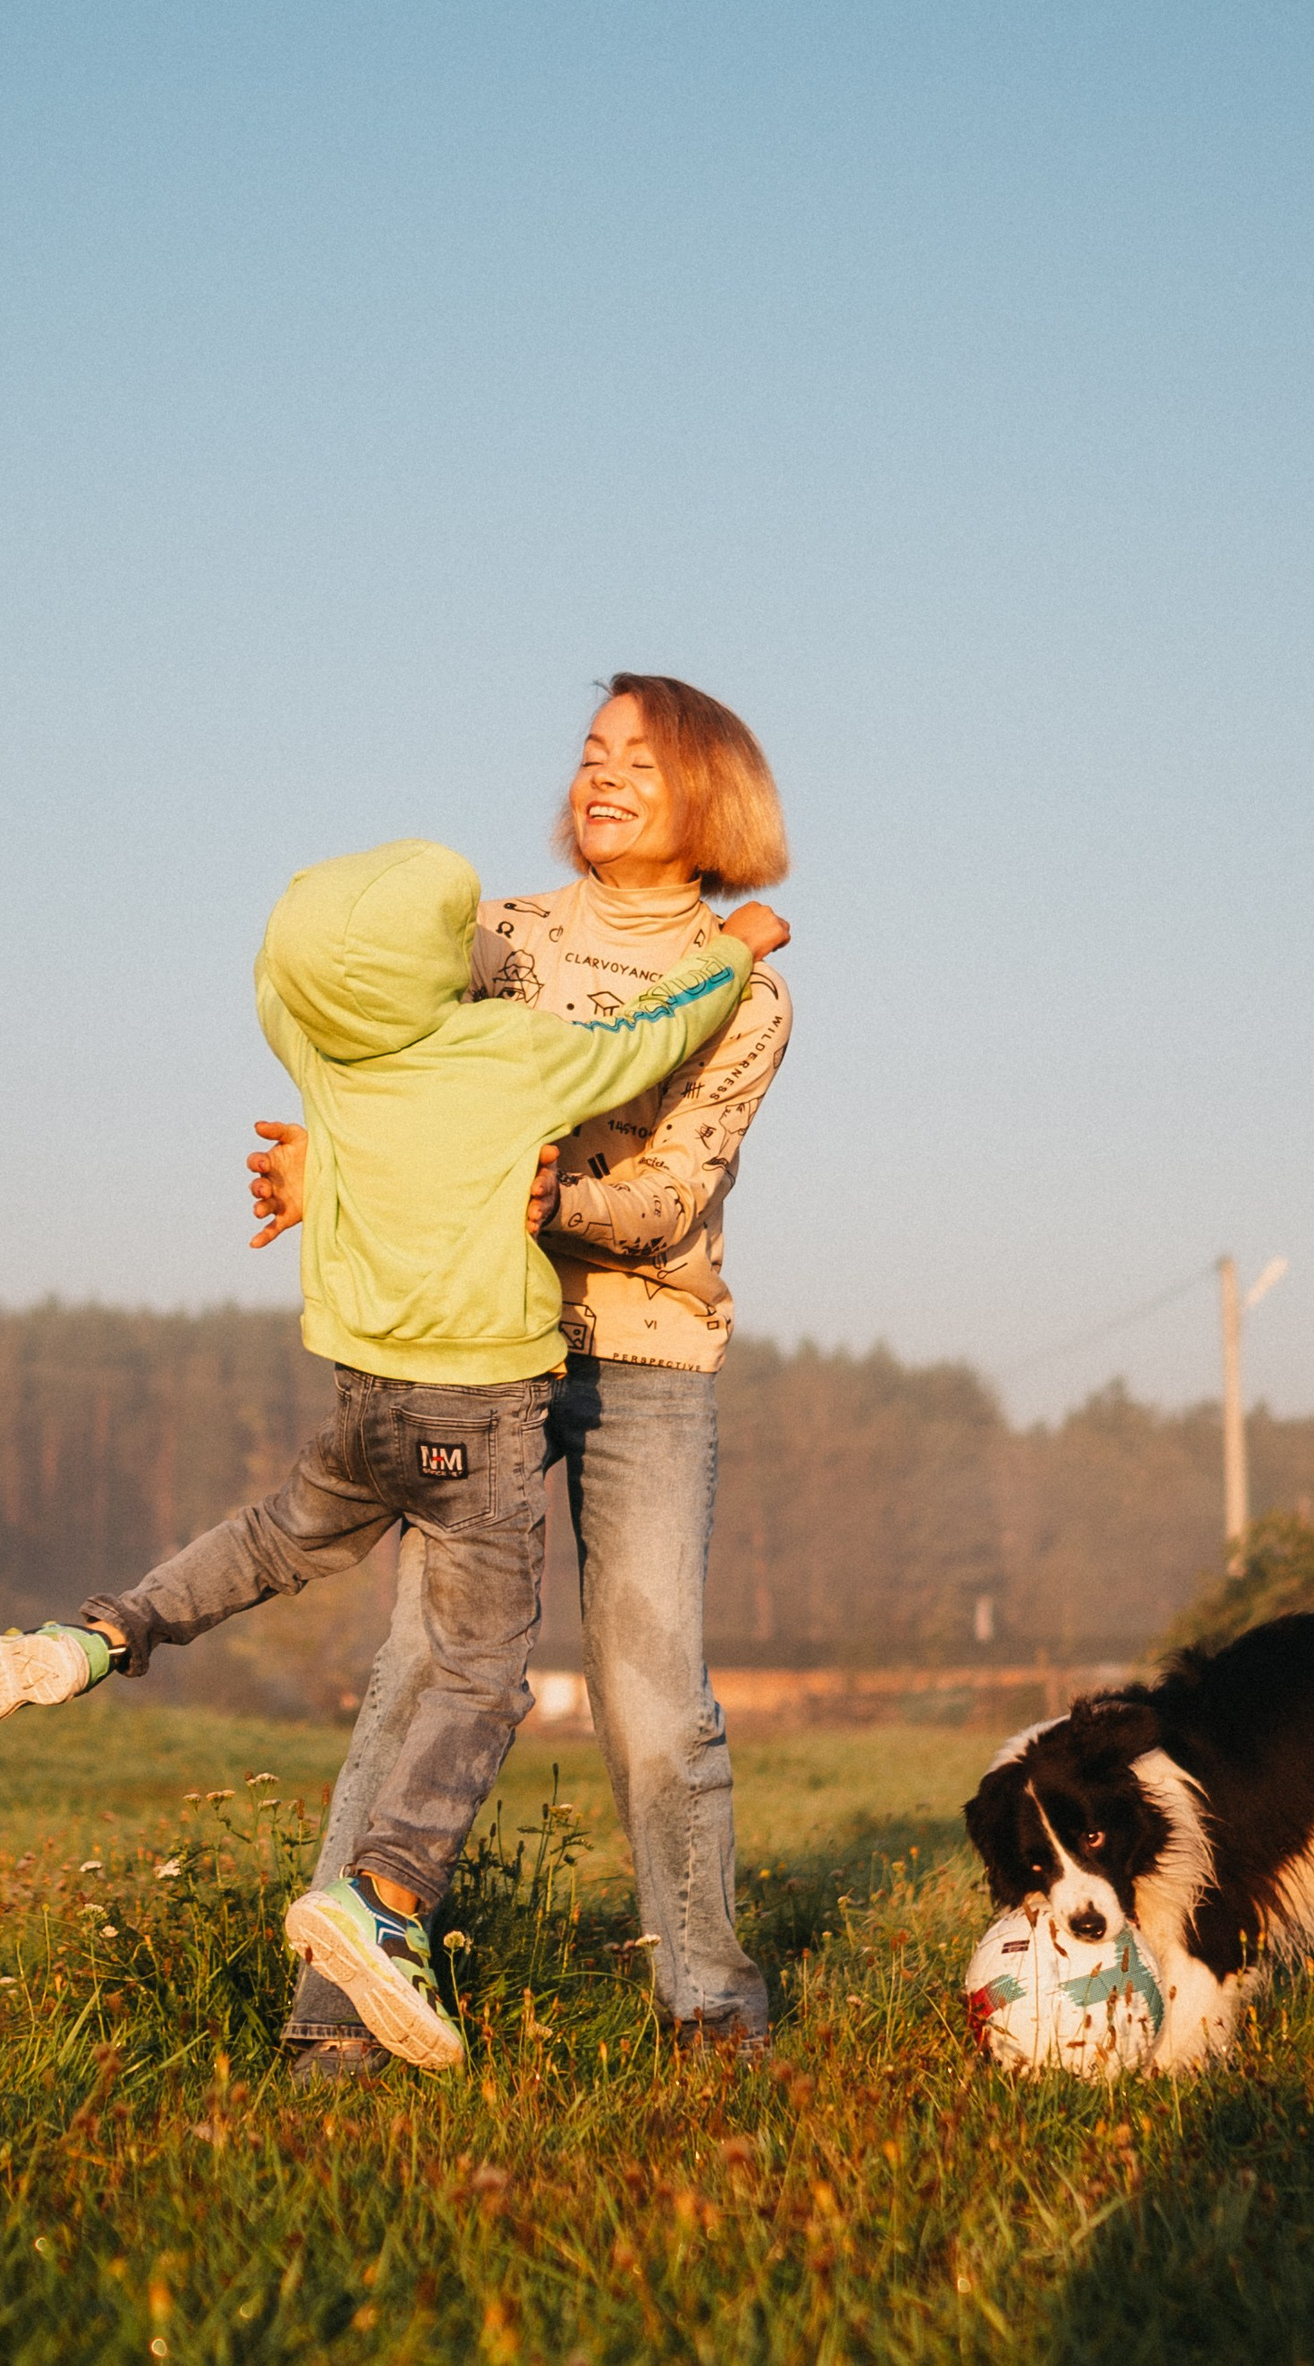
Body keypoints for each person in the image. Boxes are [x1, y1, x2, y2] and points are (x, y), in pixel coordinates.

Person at [0, 830, 773, 2074]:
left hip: (364, 1407)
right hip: (479, 1418)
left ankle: (100, 1636)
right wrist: (730, 953)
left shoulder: (322, 1049)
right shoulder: (509, 1055)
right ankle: (383, 1900)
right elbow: (644, 1039)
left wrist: (305, 966)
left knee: (269, 1540)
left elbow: (278, 981)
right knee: (476, 1677)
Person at [253, 675, 795, 2076]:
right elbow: (387, 1081)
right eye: (592, 751)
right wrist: (330, 1165)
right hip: (472, 1354)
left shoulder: (748, 989)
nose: (601, 775)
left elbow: (672, 1195)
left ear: (711, 796)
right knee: (420, 1669)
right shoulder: (492, 936)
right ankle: (335, 2021)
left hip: (646, 1355)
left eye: (640, 760)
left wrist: (554, 1200)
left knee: (655, 1695)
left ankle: (710, 2008)